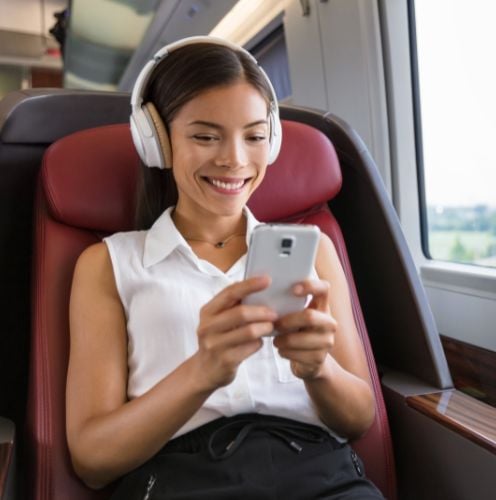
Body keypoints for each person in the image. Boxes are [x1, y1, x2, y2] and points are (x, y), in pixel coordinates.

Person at [65, 36, 383, 499]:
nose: (234, 159)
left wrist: (318, 371)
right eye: (205, 136)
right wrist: (203, 372)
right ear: (157, 140)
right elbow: (92, 461)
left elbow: (358, 420)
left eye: (254, 136)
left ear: (271, 142)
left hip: (322, 477)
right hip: (183, 480)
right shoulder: (109, 264)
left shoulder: (314, 253)